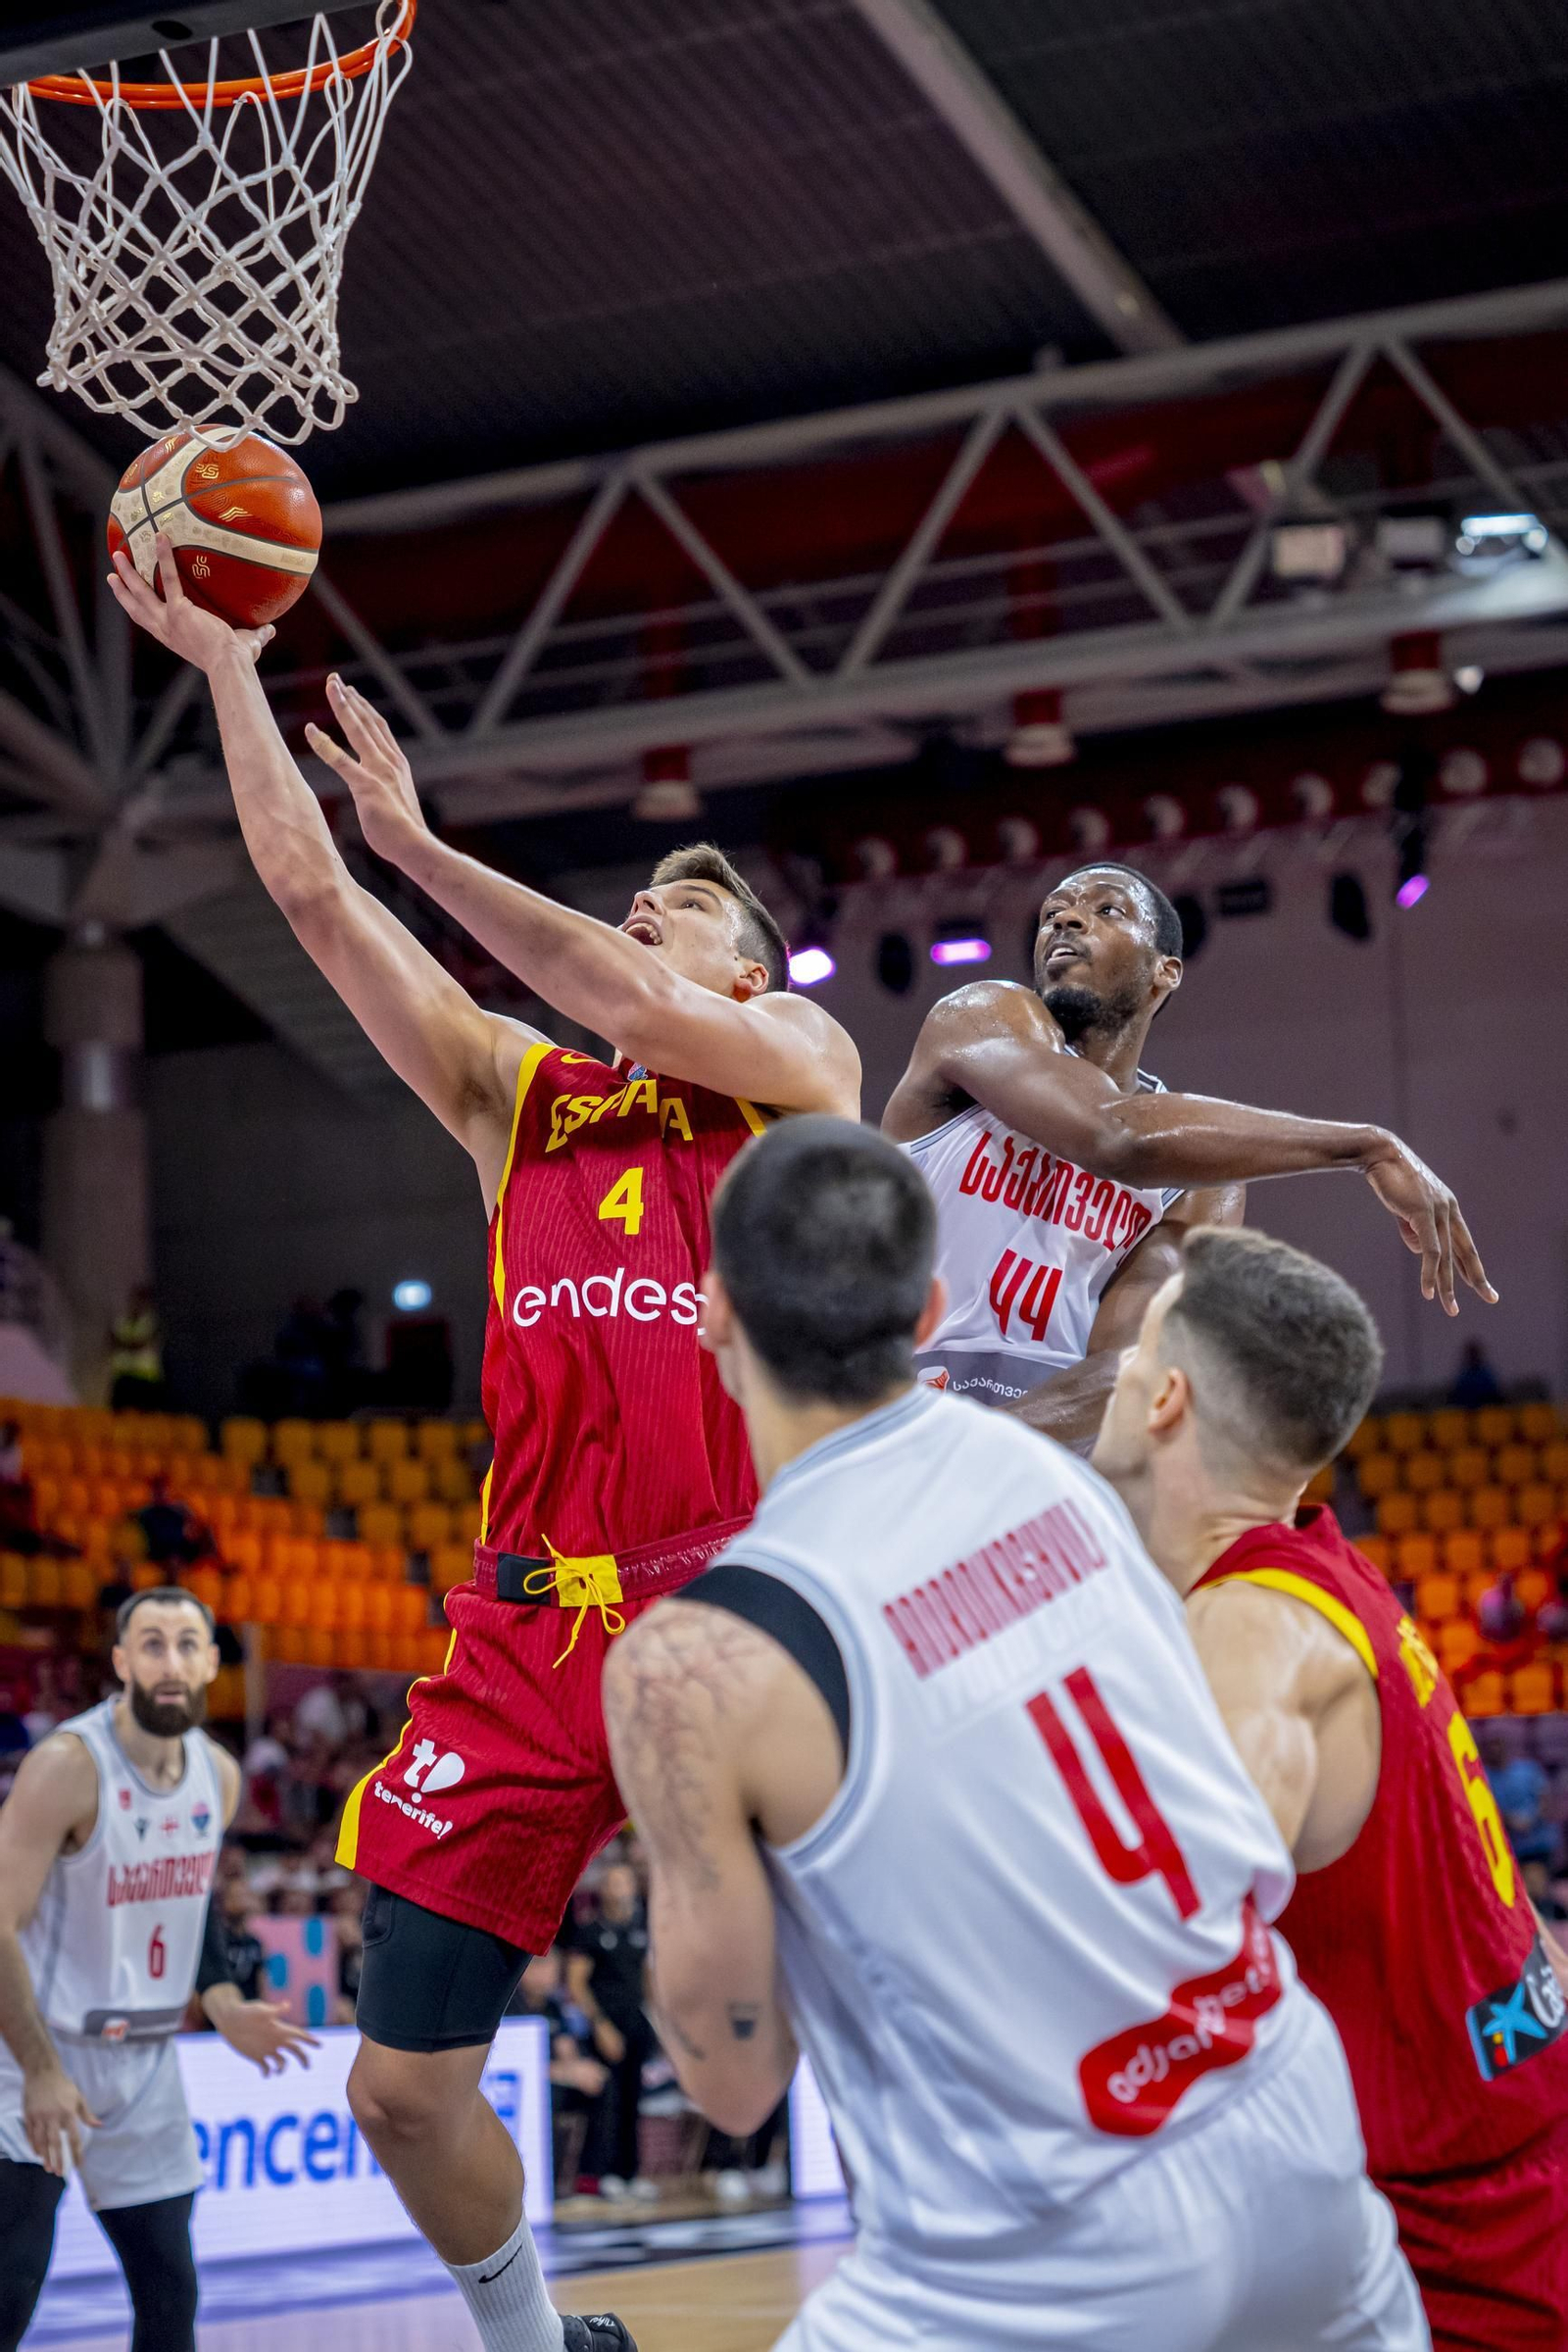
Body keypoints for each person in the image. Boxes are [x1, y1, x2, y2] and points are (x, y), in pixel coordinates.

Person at [108, 533, 860, 2352]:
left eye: (684, 916)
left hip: (731, 1602)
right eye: (647, 910)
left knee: (799, 2031)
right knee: (396, 2089)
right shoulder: (521, 1102)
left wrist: (428, 846)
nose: (646, 932)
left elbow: (626, 998)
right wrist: (225, 666)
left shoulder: (802, 1075)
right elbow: (309, 902)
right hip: (526, 1626)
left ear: (757, 971)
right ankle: (540, 2345)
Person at [602, 1118, 1425, 2352]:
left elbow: (734, 2081)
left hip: (1054, 2233)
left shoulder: (689, 1663)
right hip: (1291, 2119)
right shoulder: (1067, 1480)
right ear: (932, 1309)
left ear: (711, 1312)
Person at [1090, 1224, 1568, 2349]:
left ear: (1166, 1400)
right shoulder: (1317, 1569)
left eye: (1134, 1348)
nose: (1107, 1367)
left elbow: (1158, 1959)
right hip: (1485, 2155)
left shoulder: (1248, 1632)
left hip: (1449, 2246)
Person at [882, 861, 1492, 1446]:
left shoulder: (1201, 1182)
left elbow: (1132, 1366)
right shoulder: (981, 1017)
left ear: (1164, 972)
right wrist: (1365, 1147)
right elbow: (1114, 1135)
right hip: (891, 1404)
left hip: (1034, 1447)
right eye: (1053, 913)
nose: (1065, 922)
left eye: (1105, 910)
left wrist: (976, 1452)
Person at [0, 1588, 317, 2352]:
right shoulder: (66, 1768)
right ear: (120, 1662)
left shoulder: (219, 1774)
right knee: (10, 2292)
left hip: (143, 2063)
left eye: (185, 1643)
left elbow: (190, 1898)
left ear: (212, 1660)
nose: (169, 1661)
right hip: (36, 2055)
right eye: (150, 1643)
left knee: (171, 2294)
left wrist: (221, 1997)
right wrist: (39, 2070)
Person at [565, 1860, 656, 2199]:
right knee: (607, 2100)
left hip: (636, 2023)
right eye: (613, 1883)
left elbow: (648, 1978)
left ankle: (630, 2173)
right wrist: (600, 2025)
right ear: (603, 1889)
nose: (620, 1889)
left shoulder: (641, 1928)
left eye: (626, 1883)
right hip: (603, 2025)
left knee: (634, 2099)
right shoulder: (590, 1931)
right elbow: (576, 1983)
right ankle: (599, 2174)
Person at [108, 1283, 165, 1412]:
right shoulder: (120, 1321)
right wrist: (128, 1343)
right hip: (122, 1378)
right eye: (137, 1299)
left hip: (145, 1380)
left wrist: (123, 1343)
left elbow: (142, 1343)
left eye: (143, 1301)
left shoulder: (153, 1322)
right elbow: (111, 1342)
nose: (139, 1304)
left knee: (146, 1421)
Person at [1449, 1339, 1502, 1409]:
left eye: (1474, 1353)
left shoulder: (1486, 1374)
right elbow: (1457, 1395)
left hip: (1486, 1412)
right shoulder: (1463, 1376)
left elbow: (1494, 1393)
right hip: (1466, 1412)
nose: (1472, 1356)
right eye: (1470, 1354)